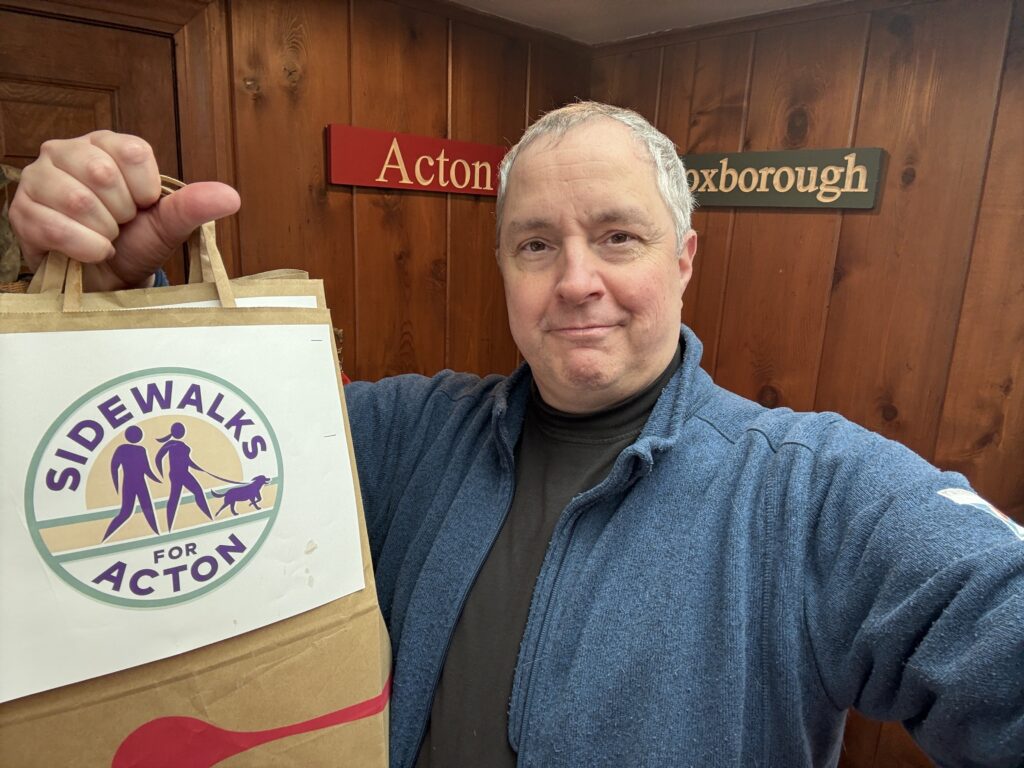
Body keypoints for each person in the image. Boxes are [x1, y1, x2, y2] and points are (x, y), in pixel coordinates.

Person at [10, 103, 1024, 768]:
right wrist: (111, 298)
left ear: (684, 260)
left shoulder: (815, 493)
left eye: (616, 236)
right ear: (503, 267)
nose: (575, 278)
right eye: (536, 244)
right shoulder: (400, 434)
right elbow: (195, 440)